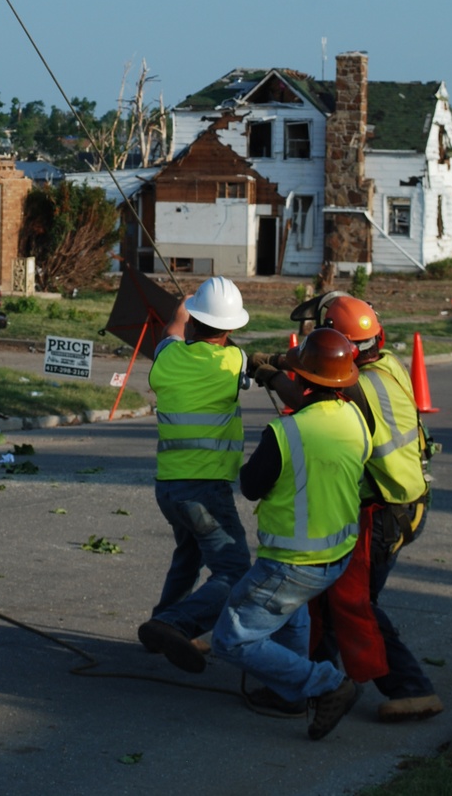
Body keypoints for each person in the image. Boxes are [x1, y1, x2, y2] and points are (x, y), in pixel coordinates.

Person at [210, 328, 372, 740]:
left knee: (231, 639)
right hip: (335, 556)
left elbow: (250, 486)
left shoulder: (284, 433)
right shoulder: (356, 418)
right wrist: (281, 372)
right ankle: (290, 695)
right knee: (291, 614)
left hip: (292, 562)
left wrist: (281, 369)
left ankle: (325, 684)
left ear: (302, 377)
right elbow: (323, 401)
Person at [320, 294, 443, 723]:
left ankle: (411, 688)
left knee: (356, 602)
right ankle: (313, 678)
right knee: (329, 594)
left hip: (385, 510)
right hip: (409, 502)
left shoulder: (356, 387)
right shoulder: (388, 364)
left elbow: (314, 383)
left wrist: (276, 368)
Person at [136, 276, 253, 673]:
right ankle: (173, 624)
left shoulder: (166, 357)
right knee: (235, 572)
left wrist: (182, 306)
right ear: (232, 328)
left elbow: (172, 328)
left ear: (193, 322)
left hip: (169, 489)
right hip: (206, 492)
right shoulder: (233, 363)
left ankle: (161, 623)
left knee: (189, 552)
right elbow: (231, 350)